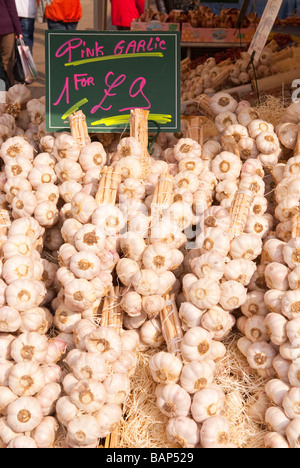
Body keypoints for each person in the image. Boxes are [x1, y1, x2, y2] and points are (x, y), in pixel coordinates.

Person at [0, 0, 23, 86]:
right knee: (8, 62)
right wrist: (18, 30)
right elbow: (11, 9)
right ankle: (9, 88)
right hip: (6, 27)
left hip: (6, 27)